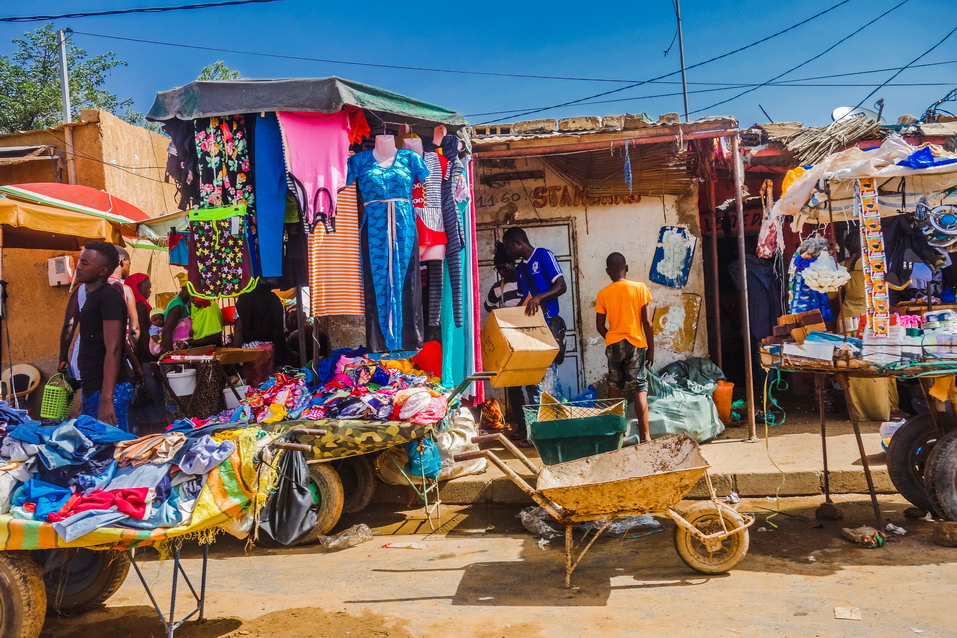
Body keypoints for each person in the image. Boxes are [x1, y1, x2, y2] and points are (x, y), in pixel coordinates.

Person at [503, 227, 568, 444]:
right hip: (532, 332)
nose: (508, 252)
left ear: (517, 243)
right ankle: (537, 435)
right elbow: (524, 300)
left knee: (548, 381)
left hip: (549, 327)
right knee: (533, 383)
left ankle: (555, 433)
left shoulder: (544, 255)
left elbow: (561, 286)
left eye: (508, 247)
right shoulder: (521, 269)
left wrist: (539, 298)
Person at [59, 241, 133, 429]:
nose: (79, 266)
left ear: (102, 270)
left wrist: (107, 399)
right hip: (94, 386)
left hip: (109, 390)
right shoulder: (91, 296)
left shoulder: (108, 297)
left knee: (112, 447)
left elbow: (114, 348)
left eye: (85, 263)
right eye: (80, 261)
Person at [840, 233, 901, 421]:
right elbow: (898, 285)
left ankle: (859, 410)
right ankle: (888, 408)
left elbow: (833, 296)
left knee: (854, 366)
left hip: (847, 318)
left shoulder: (843, 266)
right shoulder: (873, 265)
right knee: (880, 362)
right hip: (869, 320)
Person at [595, 252, 655, 443]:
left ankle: (613, 436)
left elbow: (599, 326)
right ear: (626, 268)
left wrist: (612, 338)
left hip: (614, 344)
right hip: (636, 343)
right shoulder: (640, 288)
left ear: (607, 271)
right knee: (640, 389)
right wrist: (651, 347)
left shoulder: (603, 293)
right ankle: (646, 437)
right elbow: (647, 321)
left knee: (614, 387)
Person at [234, 281, 287, 385]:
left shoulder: (243, 299)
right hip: (270, 348)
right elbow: (280, 328)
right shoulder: (274, 299)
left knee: (251, 384)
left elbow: (239, 330)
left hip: (249, 349)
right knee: (269, 385)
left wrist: (234, 357)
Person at [483, 241, 522, 312]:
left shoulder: (525, 279)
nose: (501, 272)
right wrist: (501, 315)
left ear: (512, 263)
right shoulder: (498, 287)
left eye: (504, 267)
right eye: (498, 269)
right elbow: (488, 305)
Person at [161, 273, 192, 353]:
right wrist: (169, 354)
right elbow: (166, 331)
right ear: (187, 289)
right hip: (174, 349)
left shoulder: (184, 303)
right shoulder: (177, 306)